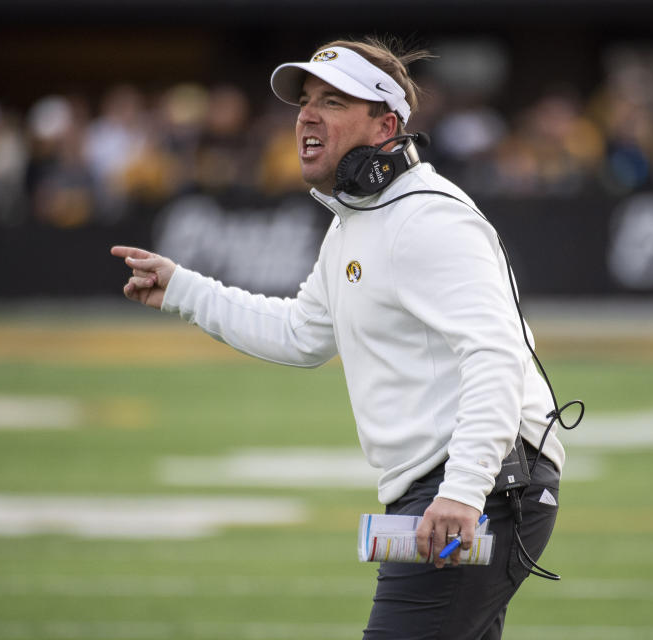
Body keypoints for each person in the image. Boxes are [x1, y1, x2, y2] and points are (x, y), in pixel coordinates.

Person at [112, 37, 566, 640]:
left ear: (386, 124)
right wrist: (184, 290)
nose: (306, 114)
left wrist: (462, 491)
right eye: (304, 100)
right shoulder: (358, 219)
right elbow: (302, 333)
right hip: (462, 485)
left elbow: (496, 355)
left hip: (483, 485)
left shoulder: (427, 217)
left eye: (332, 100)